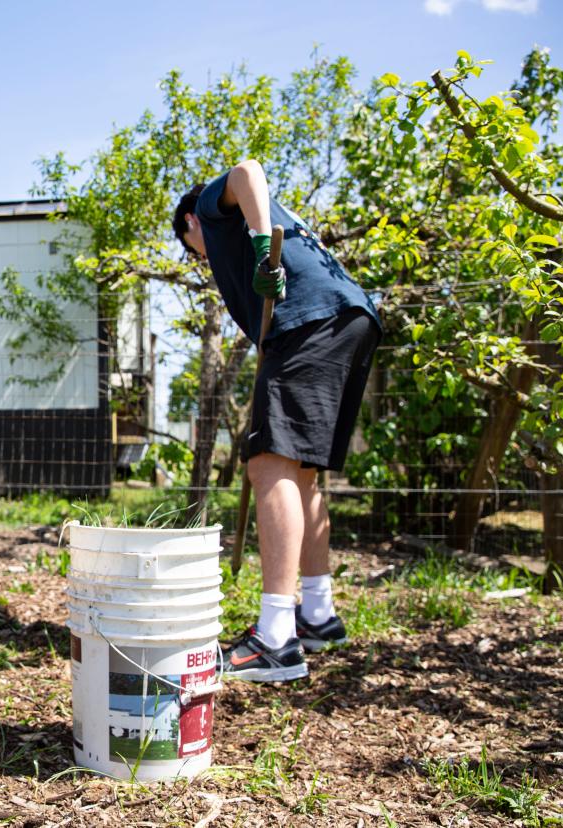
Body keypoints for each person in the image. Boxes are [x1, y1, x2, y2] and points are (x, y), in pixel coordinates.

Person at [173, 159, 381, 682]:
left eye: (189, 249)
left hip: (309, 321)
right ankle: (317, 614)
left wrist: (265, 250)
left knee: (268, 466)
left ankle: (275, 638)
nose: (199, 259)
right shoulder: (251, 229)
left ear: (190, 226)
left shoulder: (208, 211)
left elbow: (247, 171)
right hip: (350, 318)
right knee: (300, 472)